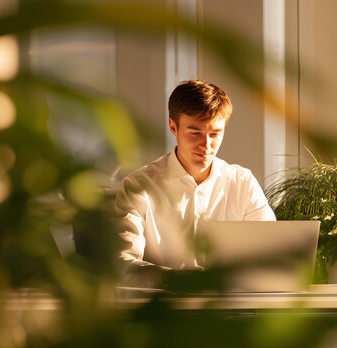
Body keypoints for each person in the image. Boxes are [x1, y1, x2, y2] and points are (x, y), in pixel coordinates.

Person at [114, 80, 275, 287]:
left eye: (215, 134)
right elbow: (122, 262)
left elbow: (272, 252)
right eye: (195, 133)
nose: (206, 145)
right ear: (173, 126)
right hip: (163, 312)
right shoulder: (139, 186)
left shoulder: (242, 182)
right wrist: (175, 280)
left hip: (233, 308)